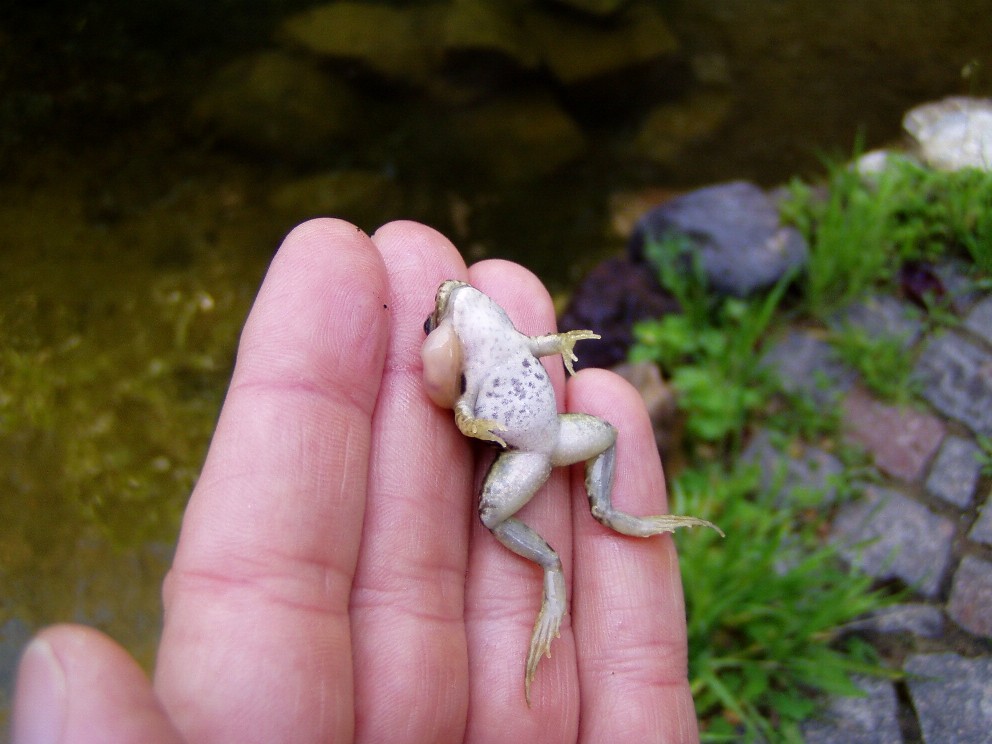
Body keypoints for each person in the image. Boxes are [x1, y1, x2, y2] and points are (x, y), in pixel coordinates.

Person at [12, 220, 700, 743]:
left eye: (441, 309)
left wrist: (555, 345)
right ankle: (551, 571)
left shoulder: (484, 318)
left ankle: (615, 514)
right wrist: (472, 411)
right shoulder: (467, 344)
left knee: (600, 436)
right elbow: (467, 417)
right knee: (494, 513)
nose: (444, 303)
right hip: (526, 443)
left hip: (546, 436)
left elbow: (523, 351)